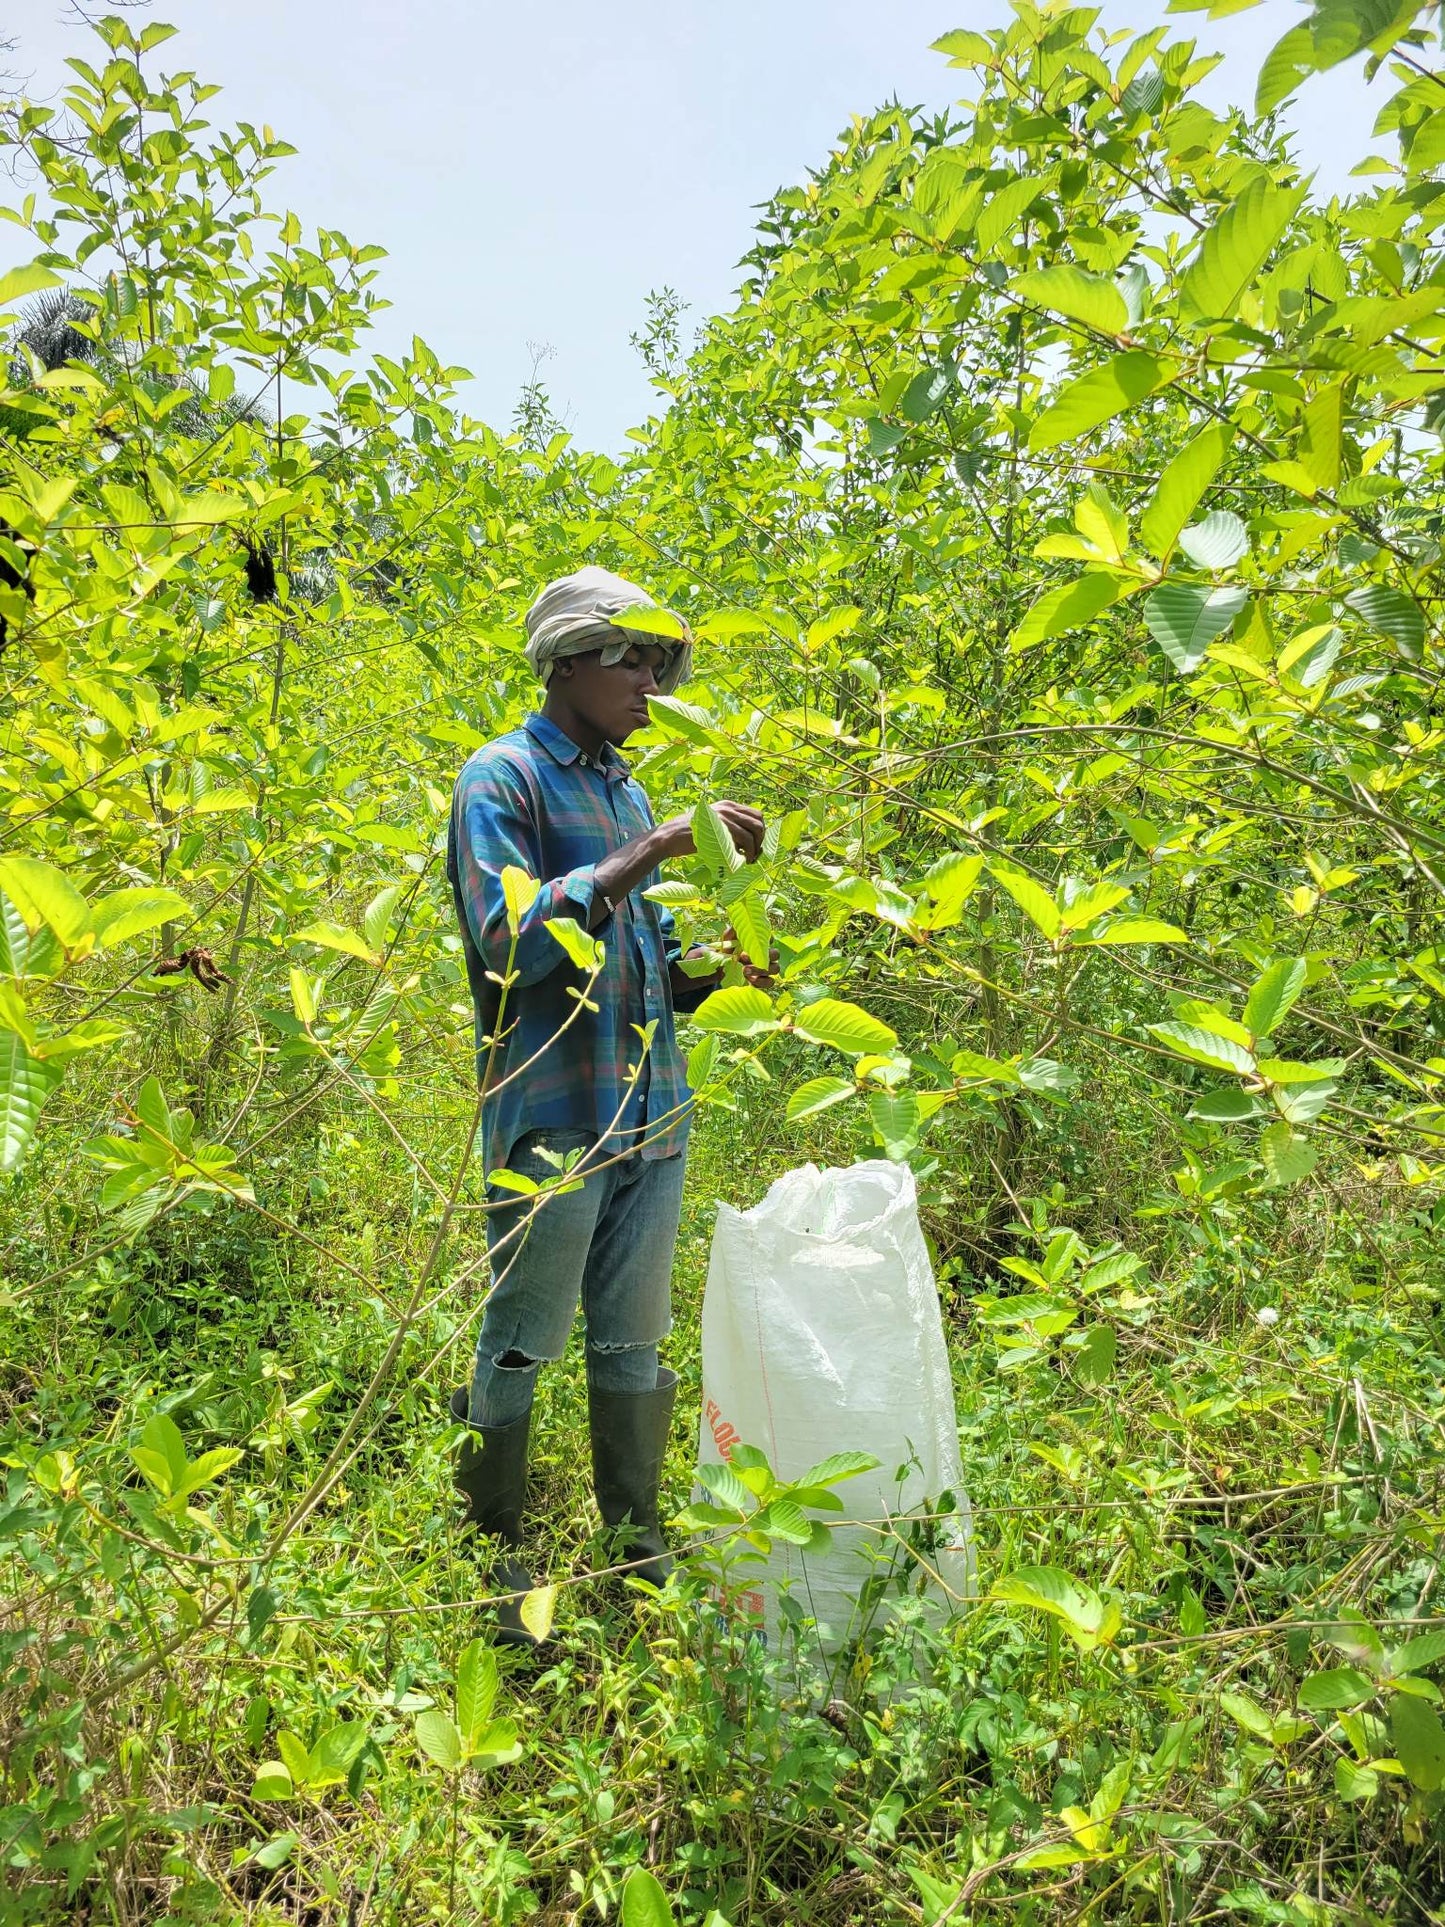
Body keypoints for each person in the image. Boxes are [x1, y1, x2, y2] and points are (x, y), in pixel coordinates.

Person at [445, 564, 772, 1645]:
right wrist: (650, 851)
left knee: (632, 1347)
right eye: (628, 657)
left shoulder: (629, 788)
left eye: (658, 660)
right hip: (553, 1118)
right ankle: (494, 1562)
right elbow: (514, 943)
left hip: (651, 1116)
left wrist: (720, 968)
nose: (648, 680)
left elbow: (654, 965)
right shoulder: (502, 781)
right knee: (522, 1339)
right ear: (565, 661)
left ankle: (636, 1549)